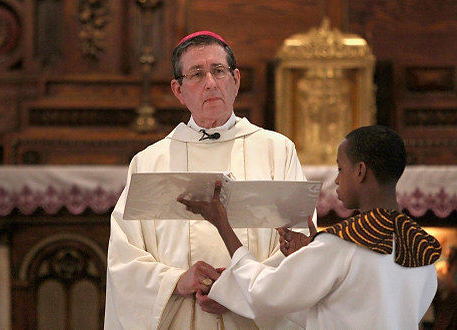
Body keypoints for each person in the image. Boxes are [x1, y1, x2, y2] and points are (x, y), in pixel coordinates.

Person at [104, 31, 308, 329]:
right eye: (197, 74)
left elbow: (301, 240)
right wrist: (178, 280)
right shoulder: (150, 162)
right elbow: (124, 256)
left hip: (253, 315)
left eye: (218, 71)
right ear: (178, 90)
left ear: (235, 80)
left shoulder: (277, 151)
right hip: (182, 314)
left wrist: (241, 287)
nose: (210, 83)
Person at [179, 125, 442, 329]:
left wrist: (222, 224)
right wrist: (309, 259)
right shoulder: (422, 249)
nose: (337, 180)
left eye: (341, 169)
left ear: (360, 171)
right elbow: (351, 308)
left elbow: (264, 294)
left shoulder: (343, 244)